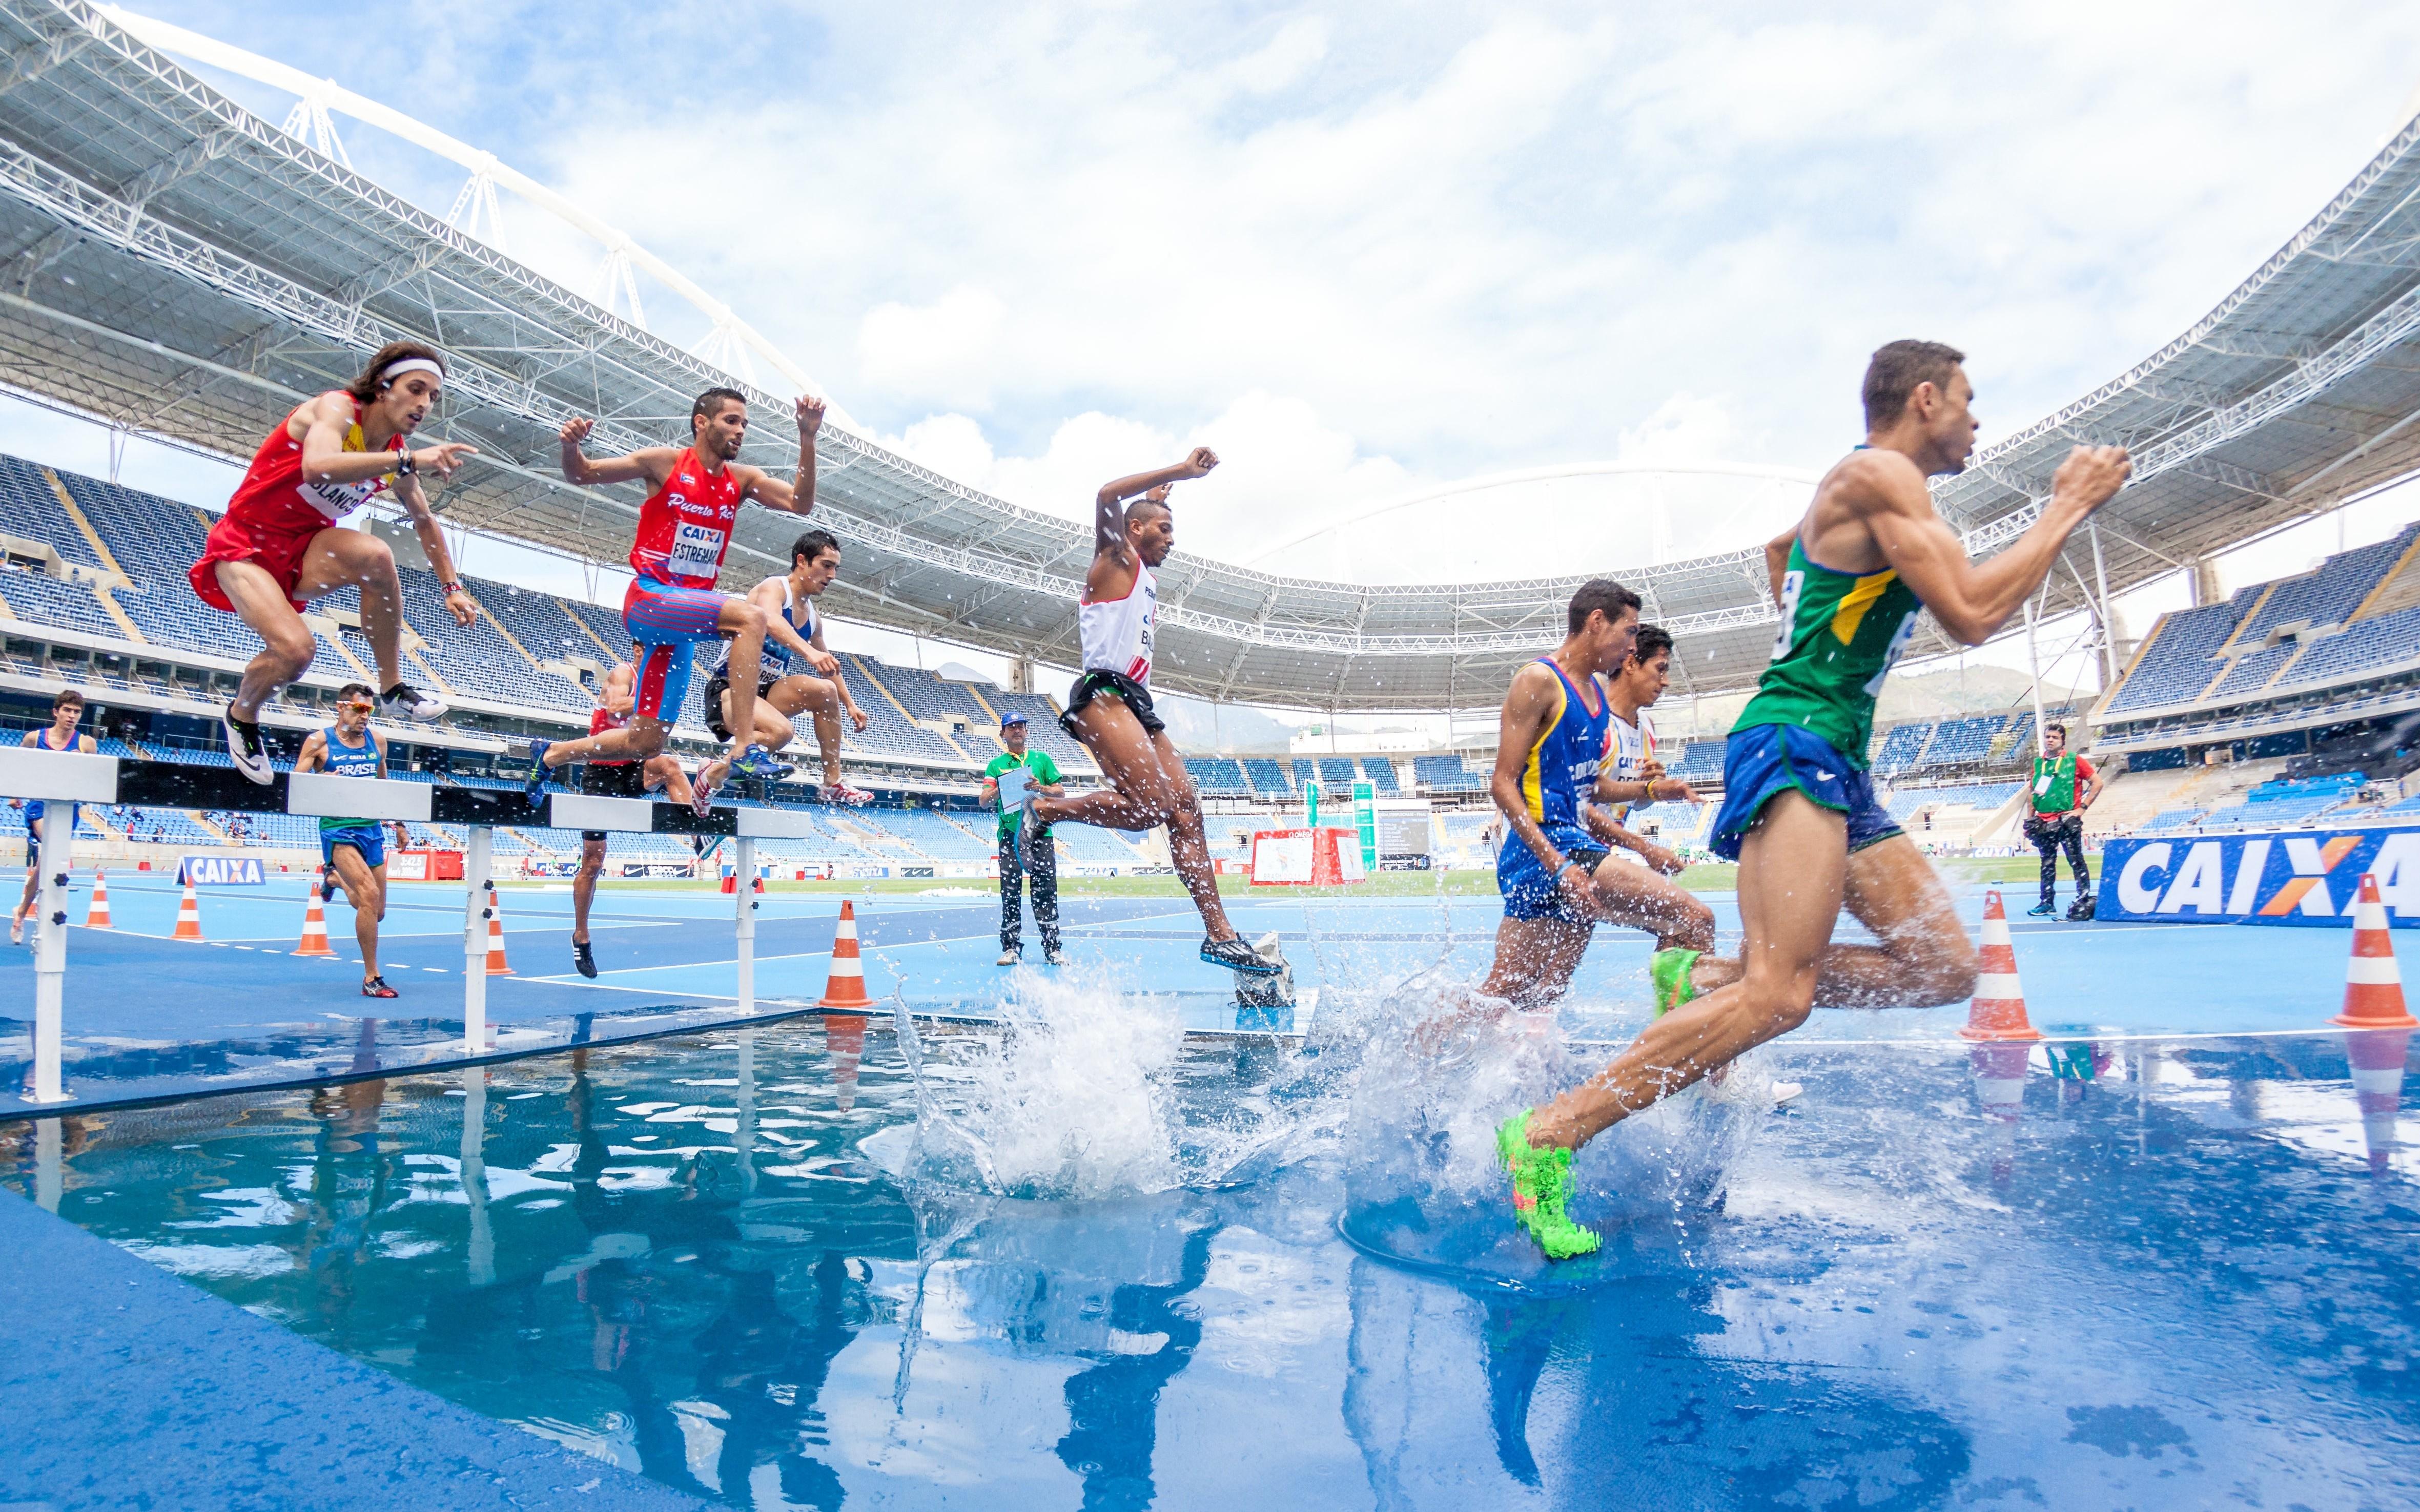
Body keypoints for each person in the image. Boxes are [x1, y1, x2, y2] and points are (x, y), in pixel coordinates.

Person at [1494, 339, 2133, 1260]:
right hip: (1795, 743)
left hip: (1834, 753)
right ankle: (1548, 1135)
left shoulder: (1866, 494)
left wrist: (1819, 615)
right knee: (1781, 997)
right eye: (1967, 400)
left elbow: (1780, 550)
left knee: (1942, 967)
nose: (1976, 420)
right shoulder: (1878, 472)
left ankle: (1704, 978)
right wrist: (2066, 504)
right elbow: (1971, 611)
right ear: (1923, 400)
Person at [1020, 450, 1278, 976]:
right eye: (1163, 527)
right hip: (1104, 694)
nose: (1173, 537)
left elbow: (1138, 507)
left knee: (1186, 810)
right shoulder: (1114, 559)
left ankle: (1219, 935)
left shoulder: (1139, 562)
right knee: (1149, 807)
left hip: (1138, 702)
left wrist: (1161, 499)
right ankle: (1046, 811)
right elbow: (1107, 497)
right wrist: (1179, 472)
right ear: (1134, 530)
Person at [525, 388, 830, 812]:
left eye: (745, 423)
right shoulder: (664, 463)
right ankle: (744, 747)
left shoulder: (741, 481)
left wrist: (808, 438)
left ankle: (551, 754)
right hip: (651, 599)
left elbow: (801, 503)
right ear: (701, 422)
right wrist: (571, 446)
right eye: (731, 421)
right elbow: (583, 474)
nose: (741, 430)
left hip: (683, 622)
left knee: (646, 739)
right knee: (751, 619)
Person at [191, 340, 478, 782]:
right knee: (296, 652)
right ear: (383, 387)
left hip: (304, 549)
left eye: (433, 397)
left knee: (377, 556)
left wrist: (452, 586)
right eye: (416, 388)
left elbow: (425, 520)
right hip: (246, 545)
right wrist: (407, 459)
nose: (424, 404)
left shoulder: (395, 453)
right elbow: (318, 466)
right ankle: (242, 715)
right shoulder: (337, 409)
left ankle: (391, 687)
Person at [1475, 597, 1715, 1011]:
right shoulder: (1538, 679)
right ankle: (1688, 1059)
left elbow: (1589, 788)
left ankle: (1416, 1042)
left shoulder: (1594, 696)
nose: (1631, 645)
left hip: (1566, 850)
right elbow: (1502, 783)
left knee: (1520, 996)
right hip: (1551, 847)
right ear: (1597, 622)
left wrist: (1655, 791)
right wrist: (1560, 864)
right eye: (1629, 632)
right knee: (1695, 919)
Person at [699, 529, 873, 803]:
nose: (832, 576)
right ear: (802, 561)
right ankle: (712, 776)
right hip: (729, 691)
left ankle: (832, 782)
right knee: (781, 732)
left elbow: (829, 666)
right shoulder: (774, 588)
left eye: (835, 568)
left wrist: (850, 704)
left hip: (765, 692)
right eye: (826, 566)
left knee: (826, 689)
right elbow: (770, 619)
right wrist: (808, 652)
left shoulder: (814, 619)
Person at [569, 655, 698, 979]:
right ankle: (581, 935)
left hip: (631, 769)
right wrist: (657, 701)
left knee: (670, 766)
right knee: (593, 863)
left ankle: (696, 832)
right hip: (599, 774)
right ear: (640, 651)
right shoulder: (623, 673)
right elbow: (615, 707)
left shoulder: (660, 683)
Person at [294, 683, 401, 998]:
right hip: (338, 830)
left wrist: (398, 824)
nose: (366, 716)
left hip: (371, 829)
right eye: (359, 709)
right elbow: (295, 787)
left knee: (376, 910)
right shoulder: (318, 742)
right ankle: (372, 978)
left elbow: (384, 785)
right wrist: (318, 781)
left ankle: (335, 880)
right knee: (368, 895)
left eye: (370, 710)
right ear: (341, 707)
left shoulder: (377, 741)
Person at [11, 689, 96, 946]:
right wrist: (15, 794)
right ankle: (33, 913)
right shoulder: (35, 738)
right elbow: (17, 764)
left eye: (77, 712)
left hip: (68, 809)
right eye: (67, 710)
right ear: (56, 712)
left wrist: (80, 765)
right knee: (52, 850)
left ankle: (22, 911)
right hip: (39, 806)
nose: (71, 716)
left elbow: (94, 780)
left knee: (47, 861)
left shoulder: (87, 744)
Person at [983, 711, 1065, 966]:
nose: (1017, 730)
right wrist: (998, 789)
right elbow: (984, 801)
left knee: (1046, 891)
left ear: (1027, 731)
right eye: (1012, 727)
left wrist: (1040, 787)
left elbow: (1060, 792)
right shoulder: (995, 765)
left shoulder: (1042, 760)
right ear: (1003, 734)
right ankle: (1011, 949)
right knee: (1010, 892)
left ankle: (1053, 949)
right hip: (1010, 835)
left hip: (1041, 834)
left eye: (1021, 726)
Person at [2023, 721, 2101, 920]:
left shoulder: (2075, 760)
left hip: (2067, 819)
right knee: (2047, 863)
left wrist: (2082, 808)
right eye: (2048, 737)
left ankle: (2083, 900)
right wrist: (2029, 820)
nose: (2050, 740)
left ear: (2062, 741)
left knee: (2076, 861)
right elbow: (2033, 793)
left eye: (2055, 737)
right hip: (2043, 821)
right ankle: (2047, 902)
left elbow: (2098, 783)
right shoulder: (2039, 763)